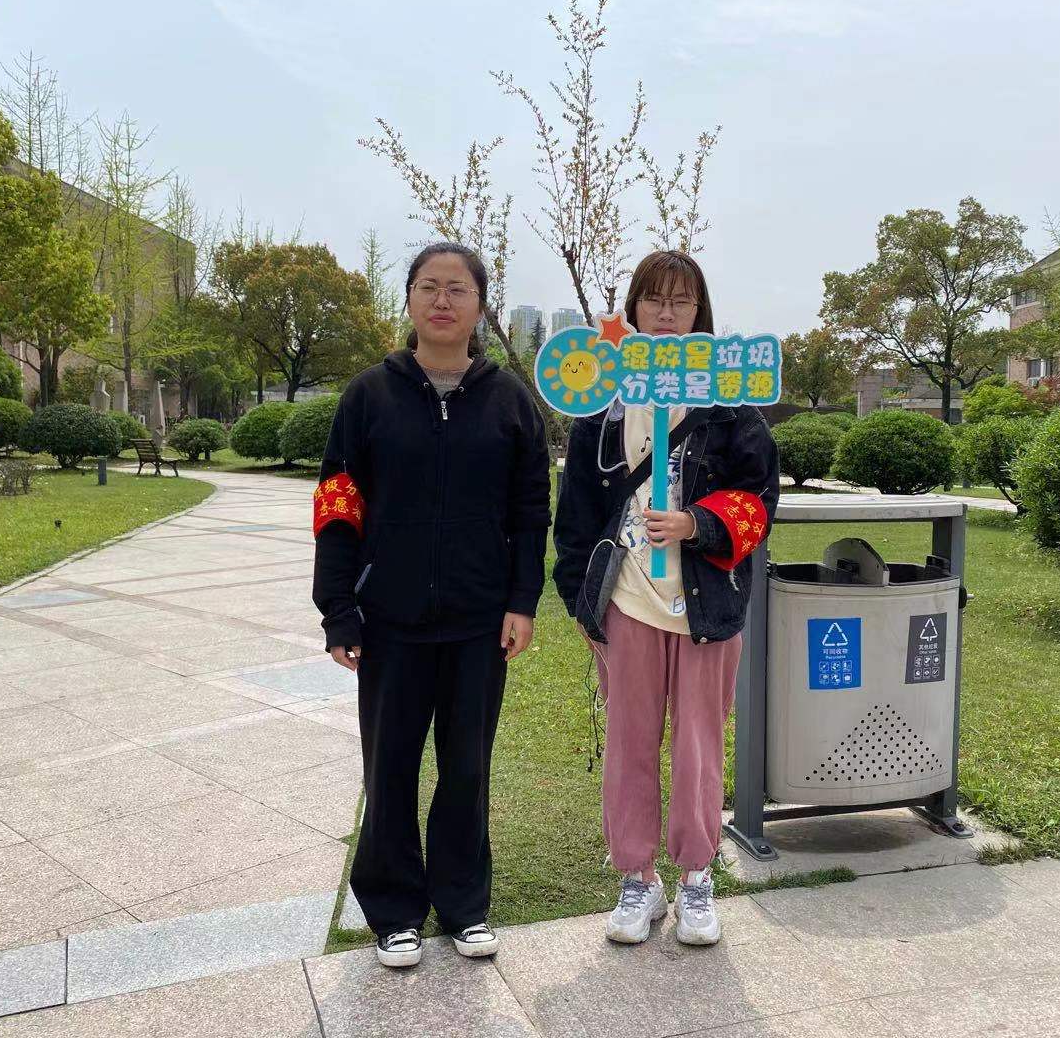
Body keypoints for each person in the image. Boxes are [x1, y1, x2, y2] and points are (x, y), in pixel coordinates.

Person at [312, 241, 551, 970]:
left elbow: (530, 509)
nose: (442, 301)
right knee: (389, 768)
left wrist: (521, 600)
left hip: (479, 620)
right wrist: (339, 609)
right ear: (410, 300)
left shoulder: (510, 399)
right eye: (428, 287)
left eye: (457, 289)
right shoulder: (368, 396)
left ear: (480, 306)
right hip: (390, 620)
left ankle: (464, 904)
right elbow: (337, 506)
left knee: (467, 768)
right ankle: (393, 912)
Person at [553, 251, 779, 948]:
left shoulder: (730, 401)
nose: (667, 314)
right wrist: (581, 603)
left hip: (707, 604)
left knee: (699, 744)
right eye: (654, 299)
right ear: (634, 308)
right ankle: (637, 878)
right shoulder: (603, 403)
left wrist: (696, 525)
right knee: (630, 740)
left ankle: (697, 877)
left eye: (682, 302)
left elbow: (760, 499)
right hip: (627, 599)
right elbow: (576, 514)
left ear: (700, 313)